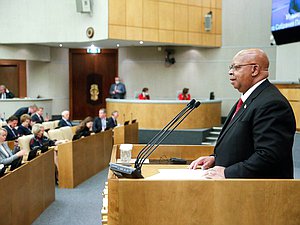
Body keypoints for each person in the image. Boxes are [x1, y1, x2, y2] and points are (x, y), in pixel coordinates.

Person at [189, 49, 296, 179]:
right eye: (231, 67)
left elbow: (268, 155)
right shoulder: (250, 99)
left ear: (255, 70)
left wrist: (227, 173)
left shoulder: (271, 103)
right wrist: (215, 159)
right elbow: (241, 144)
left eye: (237, 67)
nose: (230, 72)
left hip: (259, 194)